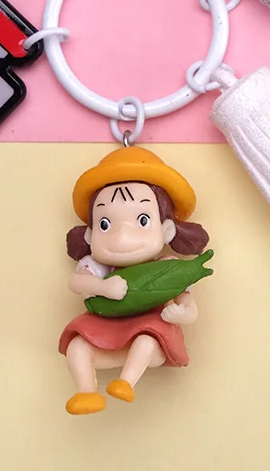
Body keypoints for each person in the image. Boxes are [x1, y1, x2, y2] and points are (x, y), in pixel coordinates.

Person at [59, 147, 210, 415]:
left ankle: (126, 383)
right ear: (90, 235)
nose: (121, 237)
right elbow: (76, 282)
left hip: (151, 331)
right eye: (105, 225)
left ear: (166, 230)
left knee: (146, 342)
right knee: (77, 346)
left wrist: (181, 314)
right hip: (104, 326)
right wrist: (103, 287)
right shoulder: (100, 266)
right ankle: (86, 392)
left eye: (142, 220)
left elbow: (190, 308)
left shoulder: (167, 267)